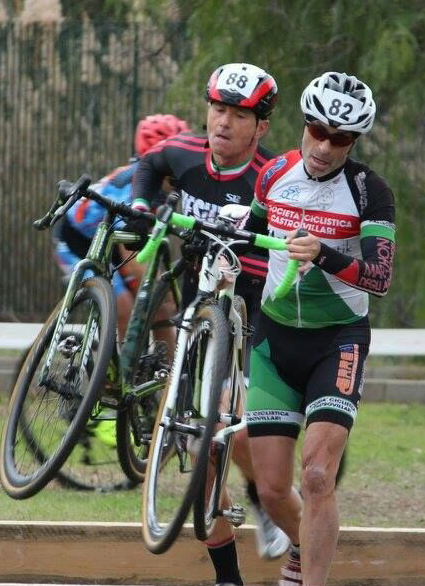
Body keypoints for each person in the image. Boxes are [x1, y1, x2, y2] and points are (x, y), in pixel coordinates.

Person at [131, 62, 289, 585]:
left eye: (238, 114)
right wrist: (141, 204)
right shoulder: (185, 152)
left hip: (252, 315)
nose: (222, 122)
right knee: (198, 446)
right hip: (200, 312)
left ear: (260, 126)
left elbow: (290, 252)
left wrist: (247, 263)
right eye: (217, 108)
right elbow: (149, 166)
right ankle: (227, 577)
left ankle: (265, 502)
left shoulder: (272, 176)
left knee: (231, 434)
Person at [239, 71, 396, 586]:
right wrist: (225, 255)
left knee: (317, 475)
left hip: (337, 341)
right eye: (317, 129)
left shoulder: (370, 191)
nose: (325, 146)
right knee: (270, 488)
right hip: (273, 340)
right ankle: (306, 551)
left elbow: (380, 275)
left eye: (341, 138)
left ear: (355, 141)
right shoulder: (273, 174)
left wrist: (324, 254)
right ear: (303, 123)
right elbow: (250, 238)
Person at [52, 114, 191, 341]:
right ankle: (114, 374)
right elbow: (132, 250)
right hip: (78, 242)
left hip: (114, 241)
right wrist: (159, 287)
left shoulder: (164, 186)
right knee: (123, 307)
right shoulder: (139, 185)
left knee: (160, 311)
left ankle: (169, 374)